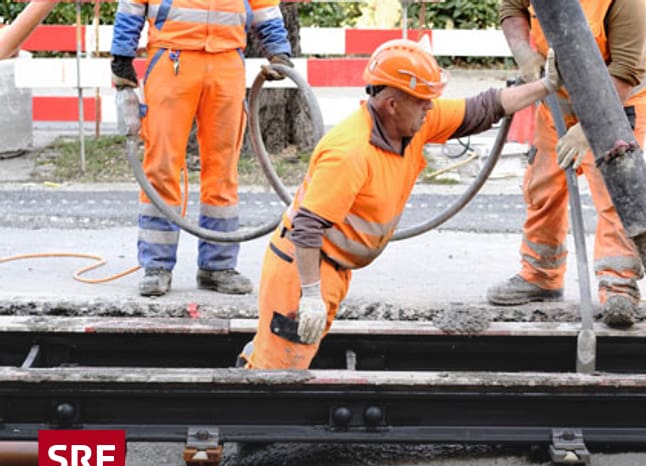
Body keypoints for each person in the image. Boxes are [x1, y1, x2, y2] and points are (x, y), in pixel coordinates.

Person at [238, 38, 562, 370]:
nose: (431, 108)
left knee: (283, 354)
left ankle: (257, 360)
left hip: (330, 269)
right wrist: (309, 297)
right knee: (278, 374)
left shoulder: (413, 124)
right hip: (303, 270)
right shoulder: (350, 152)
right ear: (392, 103)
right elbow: (306, 229)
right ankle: (247, 410)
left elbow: (483, 108)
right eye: (423, 101)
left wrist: (546, 86)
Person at [485, 0, 646, 329]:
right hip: (557, 104)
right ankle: (540, 275)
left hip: (615, 103)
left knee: (615, 196)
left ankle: (619, 286)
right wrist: (524, 54)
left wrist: (589, 127)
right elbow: (511, 8)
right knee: (543, 186)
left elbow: (625, 71)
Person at [110, 0, 293, 297]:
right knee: (161, 165)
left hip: (226, 61)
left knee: (223, 168)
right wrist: (121, 55)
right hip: (172, 60)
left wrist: (278, 50)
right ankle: (157, 266)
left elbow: (265, 8)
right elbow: (131, 5)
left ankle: (217, 267)